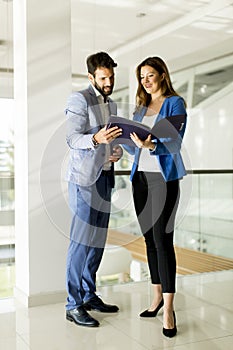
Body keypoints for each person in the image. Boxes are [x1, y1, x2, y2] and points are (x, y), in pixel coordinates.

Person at [125, 56, 187, 337]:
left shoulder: (175, 103)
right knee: (150, 240)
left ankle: (169, 310)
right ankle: (156, 298)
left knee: (163, 241)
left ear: (162, 75)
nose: (145, 81)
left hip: (164, 180)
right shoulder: (141, 108)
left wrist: (152, 143)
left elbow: (174, 141)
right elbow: (135, 146)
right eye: (142, 76)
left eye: (150, 75)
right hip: (140, 179)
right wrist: (121, 144)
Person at [65, 52, 123, 328]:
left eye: (111, 77)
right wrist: (96, 139)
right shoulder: (79, 99)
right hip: (84, 180)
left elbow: (110, 138)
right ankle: (73, 304)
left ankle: (88, 294)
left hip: (105, 177)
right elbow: (72, 138)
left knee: (98, 241)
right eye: (103, 78)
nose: (109, 82)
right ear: (91, 77)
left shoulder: (110, 102)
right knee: (81, 243)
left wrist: (114, 150)